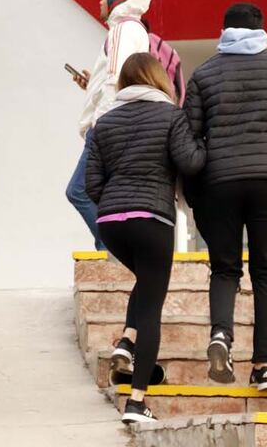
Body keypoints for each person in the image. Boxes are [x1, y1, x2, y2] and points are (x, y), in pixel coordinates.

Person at [184, 3, 267, 391]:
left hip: (218, 184)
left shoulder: (203, 74)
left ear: (224, 31)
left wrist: (195, 197)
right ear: (261, 30)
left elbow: (190, 140)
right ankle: (264, 367)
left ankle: (221, 335)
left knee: (225, 269)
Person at [86, 53, 206, 424]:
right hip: (152, 218)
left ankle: (126, 340)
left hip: (111, 221)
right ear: (158, 78)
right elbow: (190, 162)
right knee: (153, 303)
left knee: (147, 282)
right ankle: (137, 403)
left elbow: (92, 183)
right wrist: (203, 146)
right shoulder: (171, 115)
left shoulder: (103, 122)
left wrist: (115, 204)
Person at [67, 0, 152, 250]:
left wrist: (99, 123)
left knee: (78, 190)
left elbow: (116, 79)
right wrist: (92, 85)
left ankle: (111, 247)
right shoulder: (133, 30)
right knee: (102, 193)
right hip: (119, 122)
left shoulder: (121, 31)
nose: (100, 1)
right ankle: (111, 248)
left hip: (106, 124)